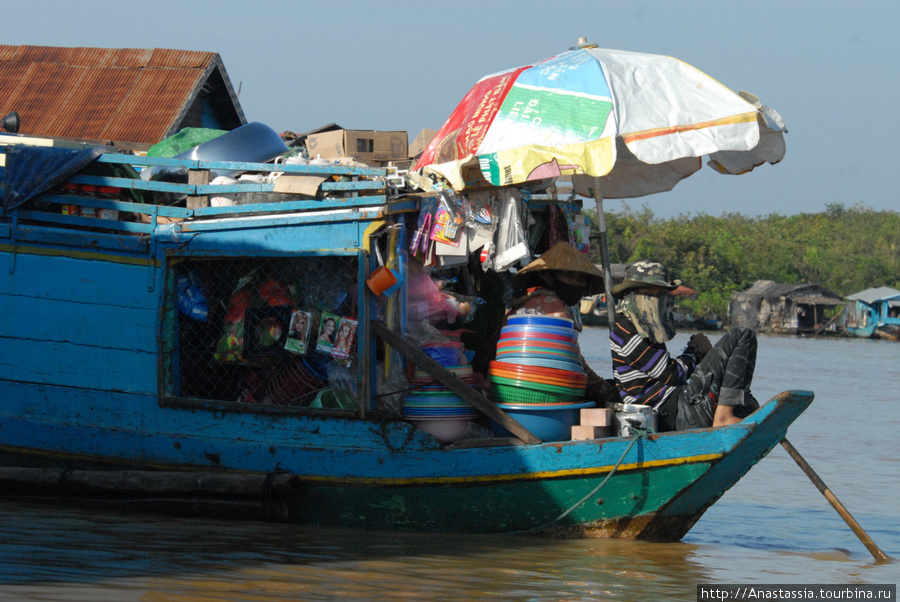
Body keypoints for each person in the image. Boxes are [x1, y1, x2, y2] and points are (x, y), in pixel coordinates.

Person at [608, 260, 759, 431]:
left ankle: (733, 410)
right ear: (631, 295)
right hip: (673, 411)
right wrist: (695, 350)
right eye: (648, 294)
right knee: (742, 335)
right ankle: (724, 416)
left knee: (737, 380)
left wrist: (701, 354)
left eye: (661, 294)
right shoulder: (627, 330)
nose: (655, 300)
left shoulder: (641, 325)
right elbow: (672, 375)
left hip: (677, 405)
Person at [481, 242, 618, 404]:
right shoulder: (554, 308)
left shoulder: (533, 300)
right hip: (531, 386)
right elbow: (572, 360)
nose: (576, 283)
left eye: (581, 279)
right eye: (569, 276)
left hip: (506, 381)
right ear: (550, 277)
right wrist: (606, 391)